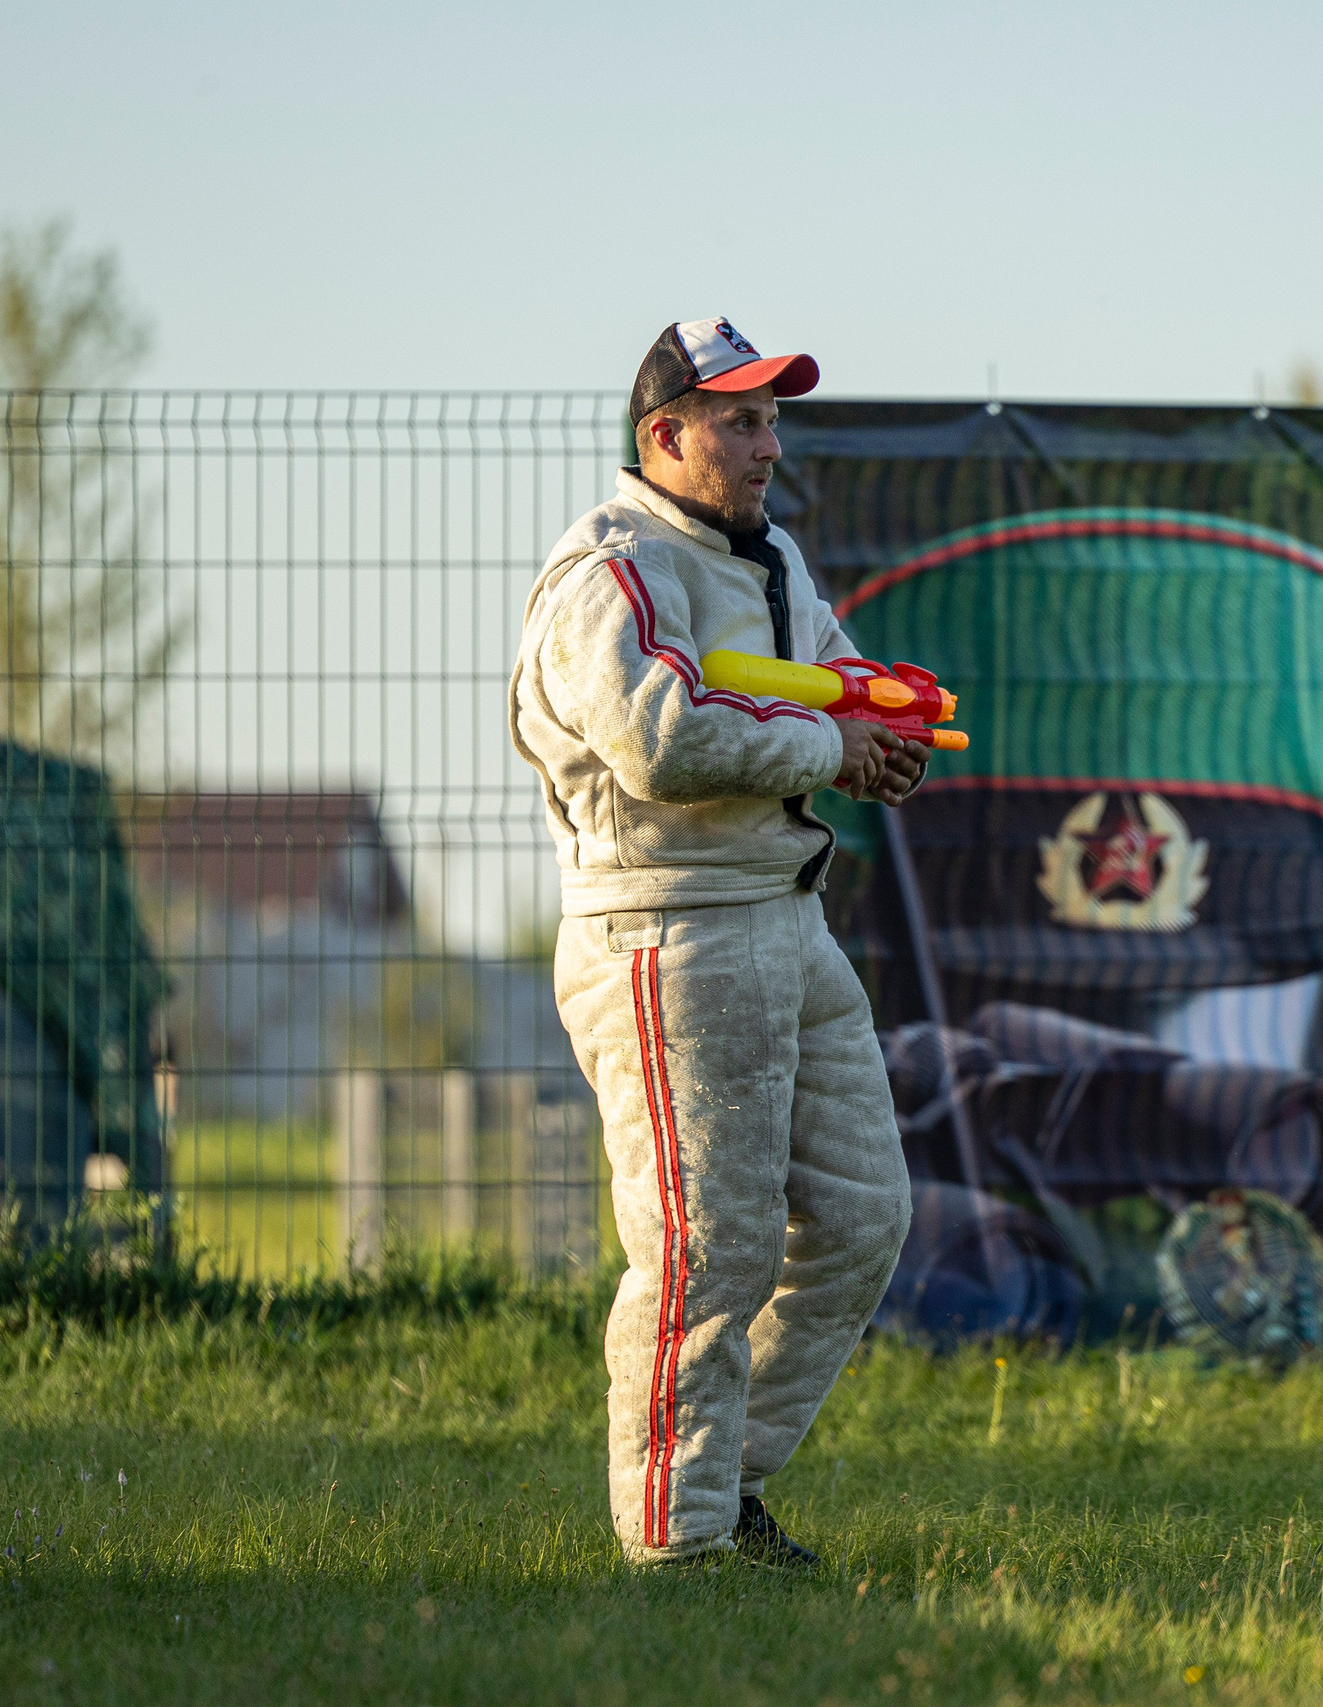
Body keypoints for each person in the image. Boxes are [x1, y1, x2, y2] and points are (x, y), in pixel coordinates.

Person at [508, 318, 927, 1567]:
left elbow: (836, 684)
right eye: (740, 420)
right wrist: (829, 748)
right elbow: (662, 739)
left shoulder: (778, 560)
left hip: (785, 920)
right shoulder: (608, 572)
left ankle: (716, 1494)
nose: (768, 443)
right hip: (666, 929)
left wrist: (885, 730)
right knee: (707, 1251)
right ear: (664, 436)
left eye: (773, 418)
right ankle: (675, 1552)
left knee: (862, 1219)